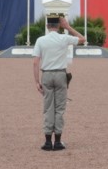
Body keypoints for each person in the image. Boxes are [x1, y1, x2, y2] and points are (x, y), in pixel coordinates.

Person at [33, 16, 85, 151]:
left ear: (47, 26)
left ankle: (47, 141)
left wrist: (37, 81)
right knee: (59, 108)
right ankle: (58, 142)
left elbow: (35, 62)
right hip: (61, 74)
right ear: (58, 26)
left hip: (47, 74)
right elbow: (82, 39)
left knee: (48, 107)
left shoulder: (41, 40)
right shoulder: (63, 38)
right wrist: (68, 27)